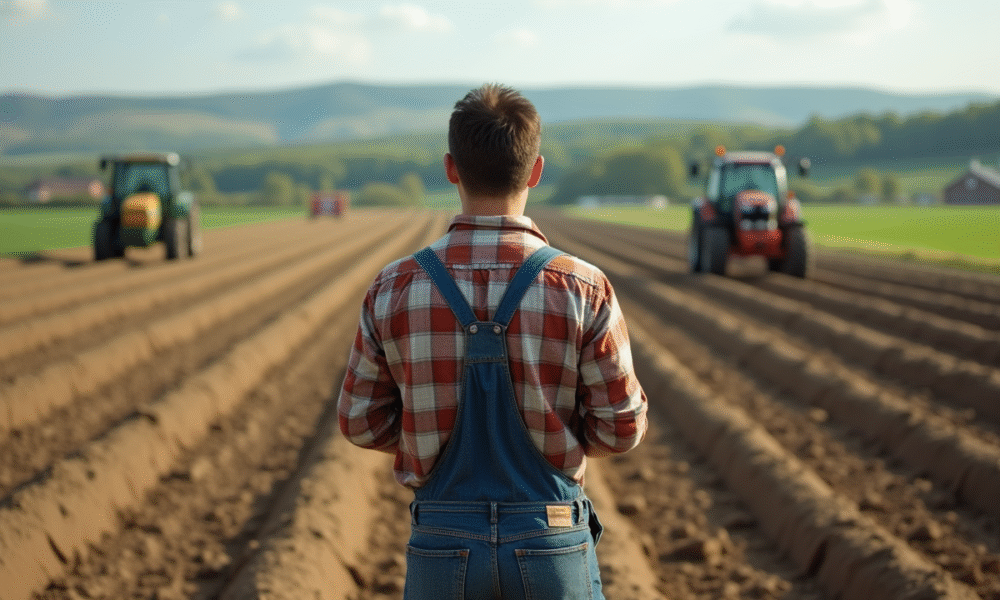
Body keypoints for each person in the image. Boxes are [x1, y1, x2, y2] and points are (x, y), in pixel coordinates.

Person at [338, 83, 647, 600]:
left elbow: (359, 421)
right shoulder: (583, 286)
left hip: (441, 540)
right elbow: (622, 427)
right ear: (535, 170)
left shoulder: (394, 287)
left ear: (451, 168)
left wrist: (422, 433)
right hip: (550, 536)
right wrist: (558, 436)